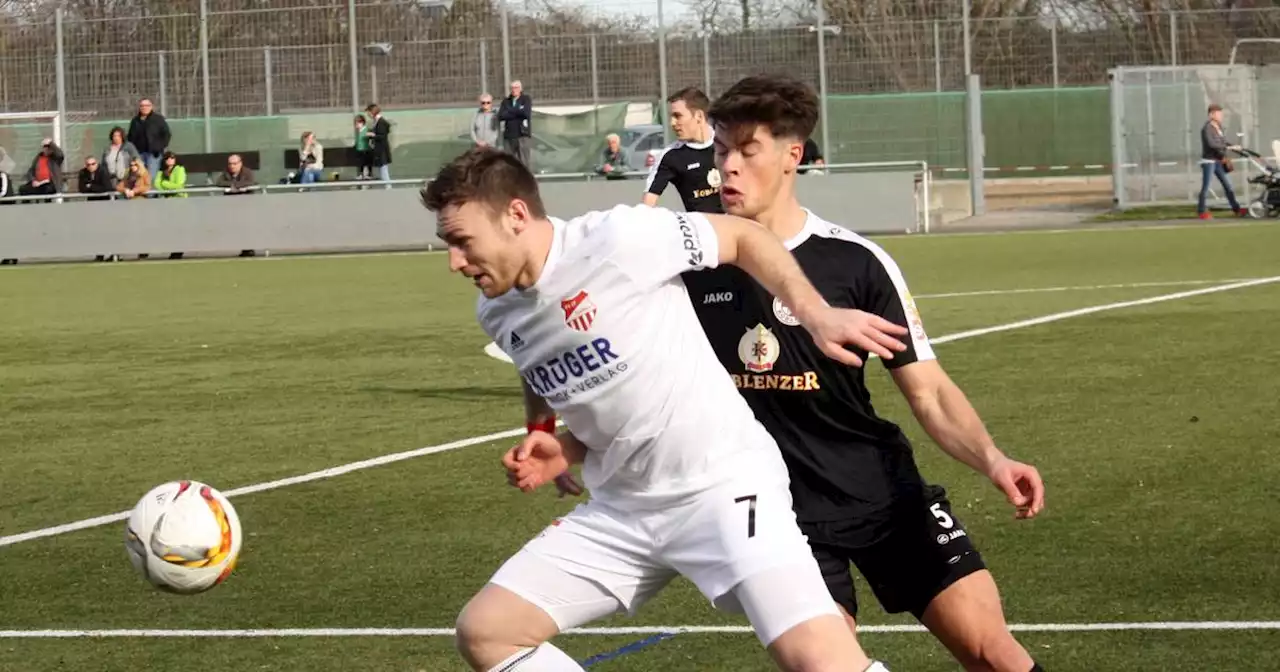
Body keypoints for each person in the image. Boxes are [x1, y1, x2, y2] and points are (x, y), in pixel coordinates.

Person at [422, 146, 906, 672]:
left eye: (462, 242)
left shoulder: (618, 239)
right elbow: (534, 356)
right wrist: (547, 434)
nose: (454, 262)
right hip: (623, 511)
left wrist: (816, 315)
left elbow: (745, 237)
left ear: (516, 215)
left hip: (722, 488)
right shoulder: (495, 308)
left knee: (818, 659)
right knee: (488, 632)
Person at [676, 74, 1047, 672]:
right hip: (780, 517)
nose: (729, 169)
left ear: (793, 155)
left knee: (992, 651)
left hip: (883, 491)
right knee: (827, 665)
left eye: (748, 151)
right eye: (721, 152)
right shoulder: (692, 268)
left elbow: (927, 391)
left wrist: (993, 458)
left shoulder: (855, 261)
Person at [642, 87, 722, 214]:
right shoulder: (671, 156)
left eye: (677, 116)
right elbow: (648, 202)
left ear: (699, 116)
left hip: (739, 226)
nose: (672, 123)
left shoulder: (726, 142)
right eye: (671, 117)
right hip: (704, 231)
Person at [1198, 103, 1244, 220]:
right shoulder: (1207, 128)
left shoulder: (1219, 127)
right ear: (1211, 115)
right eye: (1219, 114)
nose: (1221, 116)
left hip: (1219, 160)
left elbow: (1223, 141)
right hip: (1209, 161)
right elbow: (1212, 144)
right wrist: (1228, 148)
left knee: (1228, 186)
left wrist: (1233, 146)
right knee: (1206, 186)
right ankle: (1202, 211)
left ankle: (1236, 209)